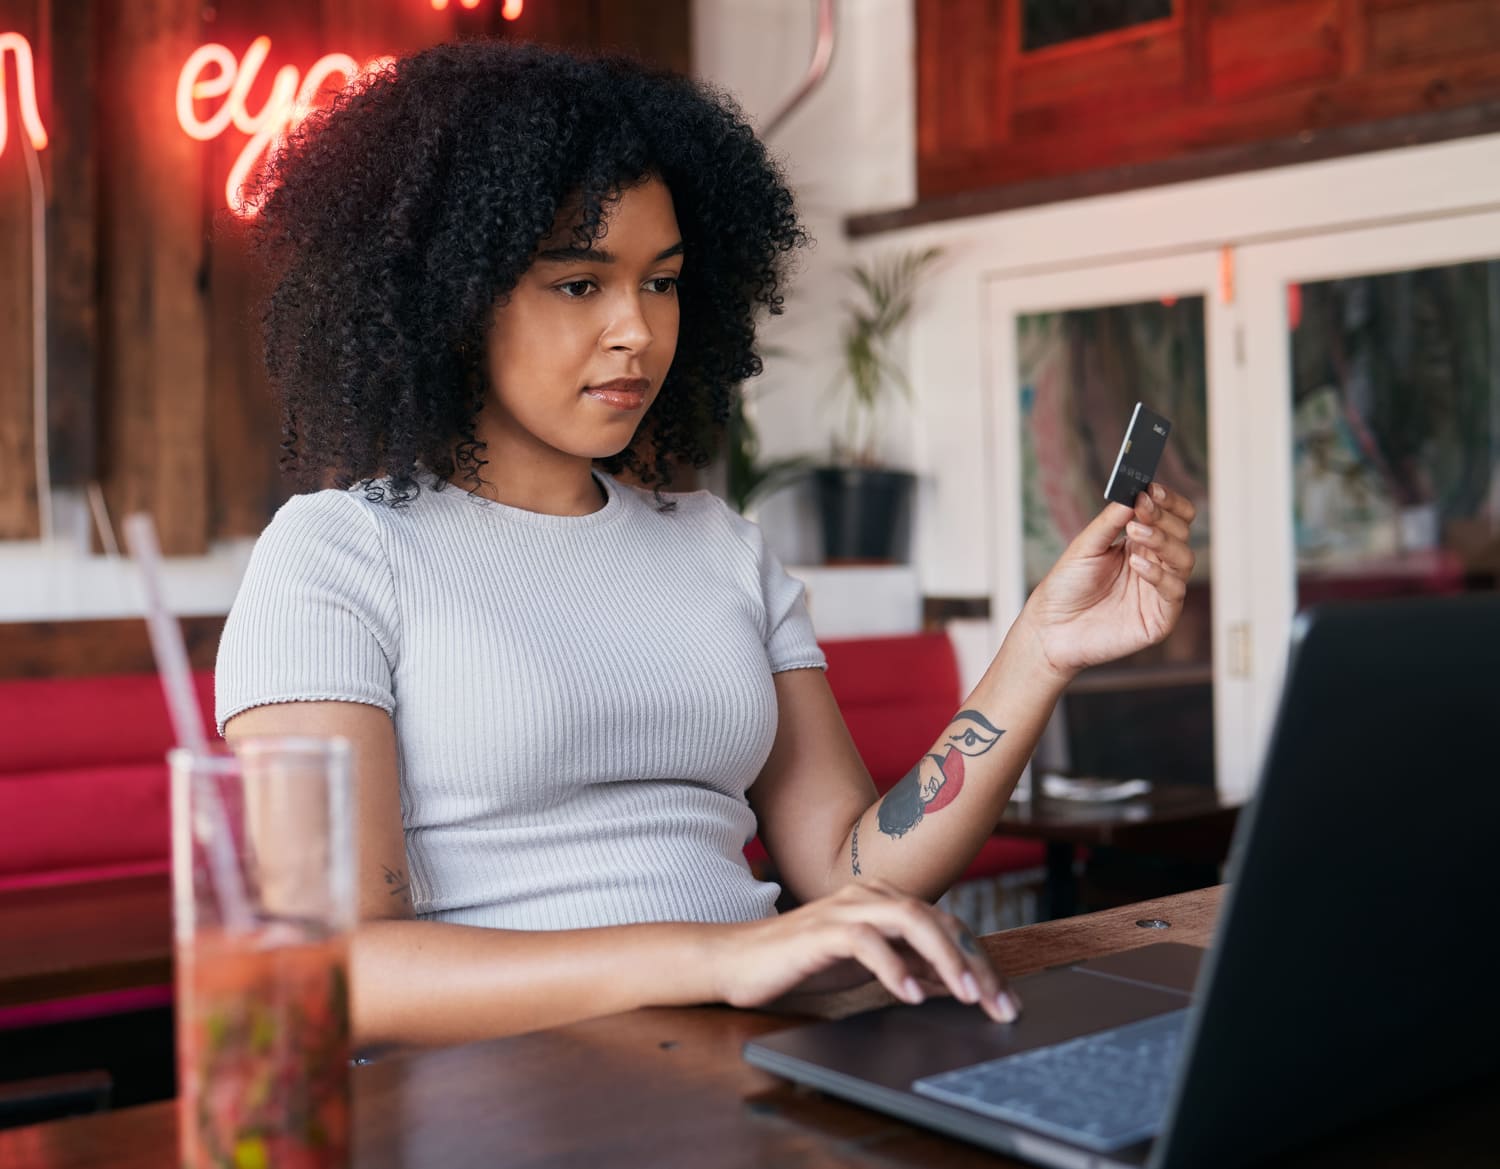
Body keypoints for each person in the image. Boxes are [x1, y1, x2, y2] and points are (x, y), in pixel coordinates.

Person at [217, 40, 1197, 1049]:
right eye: (579, 284)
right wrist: (717, 956)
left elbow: (854, 871)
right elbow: (333, 969)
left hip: (748, 1060)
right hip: (504, 1094)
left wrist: (1041, 650)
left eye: (663, 281)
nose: (638, 330)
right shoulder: (338, 555)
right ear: (454, 298)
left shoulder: (720, 547)